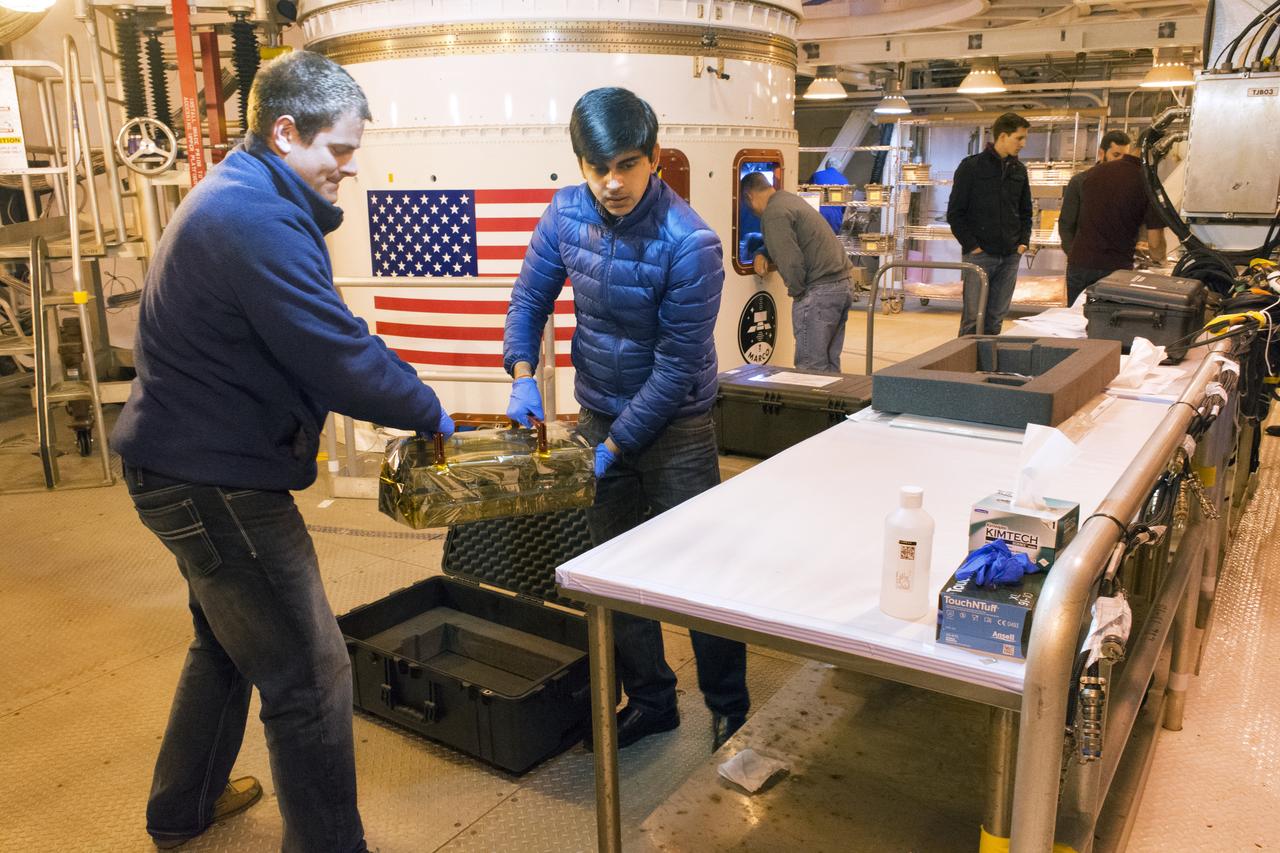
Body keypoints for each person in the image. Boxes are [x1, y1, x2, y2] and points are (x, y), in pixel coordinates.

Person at [112, 51, 452, 852]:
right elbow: (335, 351)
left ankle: (181, 806)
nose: (349, 166)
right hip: (216, 484)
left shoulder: (241, 195)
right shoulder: (254, 220)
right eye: (337, 150)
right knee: (310, 677)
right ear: (285, 131)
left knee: (225, 645)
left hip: (179, 466)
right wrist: (430, 409)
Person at [503, 87, 749, 751]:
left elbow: (674, 371)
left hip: (679, 429)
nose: (613, 183)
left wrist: (614, 445)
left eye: (629, 165)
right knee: (609, 570)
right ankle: (652, 699)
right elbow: (529, 298)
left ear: (656, 159)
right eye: (597, 167)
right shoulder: (563, 214)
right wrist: (522, 373)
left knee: (701, 573)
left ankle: (730, 706)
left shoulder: (690, 244)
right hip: (600, 411)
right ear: (580, 163)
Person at [741, 171, 855, 373]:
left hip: (820, 291)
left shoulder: (773, 213)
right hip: (842, 285)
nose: (750, 211)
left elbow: (790, 260)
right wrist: (762, 253)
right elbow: (791, 240)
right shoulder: (787, 200)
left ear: (749, 196)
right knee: (829, 364)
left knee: (810, 368)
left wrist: (799, 293)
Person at [946, 112, 1033, 336]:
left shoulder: (1019, 170)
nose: (1023, 144)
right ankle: (962, 369)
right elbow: (955, 213)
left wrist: (1023, 243)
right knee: (973, 321)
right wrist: (973, 246)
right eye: (1019, 138)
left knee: (995, 319)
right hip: (980, 256)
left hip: (1010, 256)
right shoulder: (971, 167)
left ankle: (986, 367)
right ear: (1003, 136)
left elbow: (1025, 211)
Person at [1065, 137, 1169, 306]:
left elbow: (1076, 221)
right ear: (1156, 153)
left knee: (1075, 323)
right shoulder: (1147, 182)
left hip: (1080, 265)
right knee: (1105, 326)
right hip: (1114, 269)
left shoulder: (1093, 173)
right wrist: (1160, 260)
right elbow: (1155, 244)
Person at [1059, 129, 1132, 257]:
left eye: (1125, 157)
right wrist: (1074, 255)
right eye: (1116, 155)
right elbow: (1066, 224)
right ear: (1101, 153)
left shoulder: (1128, 185)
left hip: (1116, 261)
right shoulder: (1080, 182)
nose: (1121, 161)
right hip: (1084, 262)